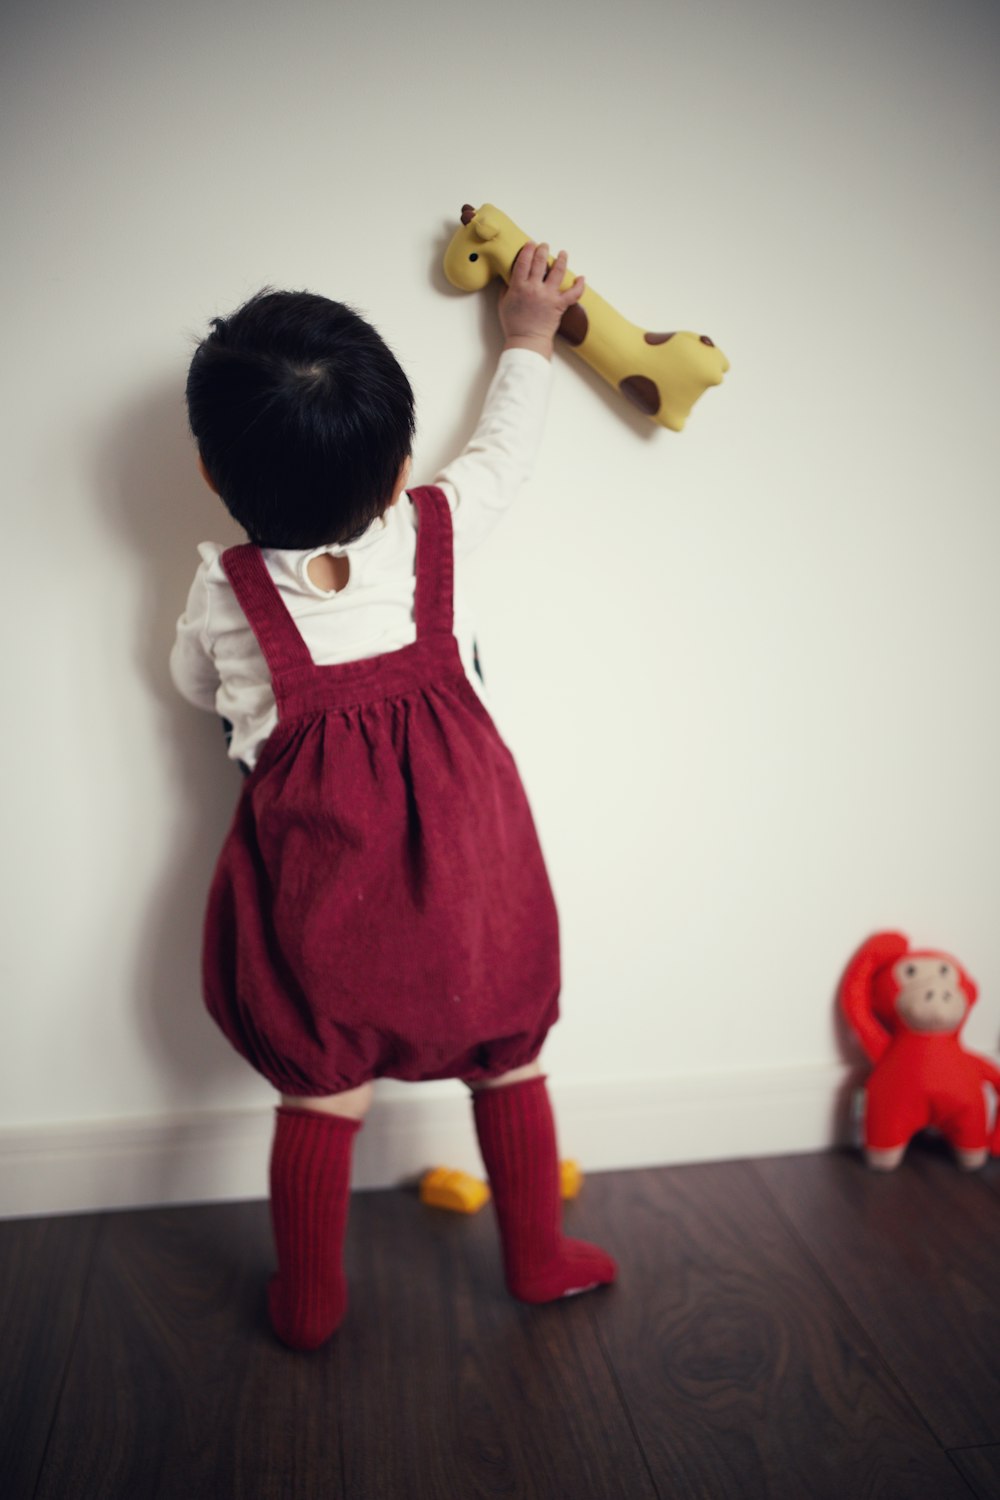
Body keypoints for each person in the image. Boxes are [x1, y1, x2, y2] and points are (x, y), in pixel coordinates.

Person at [170, 243, 618, 1350]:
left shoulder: (225, 595)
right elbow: (503, 453)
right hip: (473, 870)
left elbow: (190, 685)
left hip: (324, 889)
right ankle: (537, 1259)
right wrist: (526, 335)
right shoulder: (434, 530)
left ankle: (314, 1303)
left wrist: (252, 722)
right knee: (509, 1051)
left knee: (320, 1086)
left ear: (214, 477)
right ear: (401, 464)